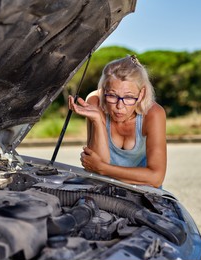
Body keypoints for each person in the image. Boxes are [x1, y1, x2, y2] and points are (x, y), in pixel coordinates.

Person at [68, 55, 166, 188]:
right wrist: (97, 120)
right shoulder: (95, 101)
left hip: (143, 192)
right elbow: (93, 167)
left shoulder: (154, 113)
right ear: (103, 91)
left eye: (129, 97)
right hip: (103, 187)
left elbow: (156, 178)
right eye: (112, 96)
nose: (120, 106)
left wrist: (104, 168)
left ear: (141, 94)